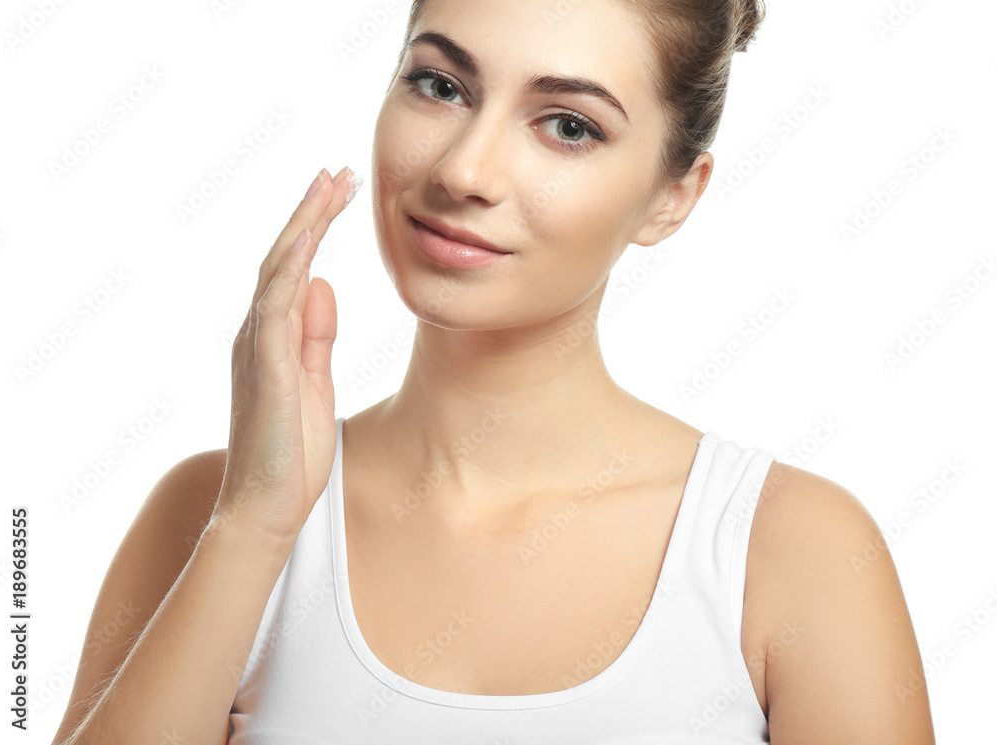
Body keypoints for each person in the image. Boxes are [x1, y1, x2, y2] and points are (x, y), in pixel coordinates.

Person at [53, 0, 937, 743]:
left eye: (568, 126)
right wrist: (251, 525)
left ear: (675, 196)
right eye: (440, 85)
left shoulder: (793, 552)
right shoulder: (211, 513)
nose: (464, 169)